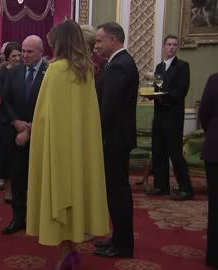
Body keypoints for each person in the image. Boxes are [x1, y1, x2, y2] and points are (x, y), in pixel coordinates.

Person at [23, 20, 109, 270]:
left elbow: (45, 114)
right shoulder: (85, 70)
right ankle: (70, 249)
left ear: (60, 43)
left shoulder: (57, 69)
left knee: (60, 193)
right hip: (79, 148)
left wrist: (35, 132)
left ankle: (63, 256)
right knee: (76, 193)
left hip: (58, 147)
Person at [93, 22, 138, 258]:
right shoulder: (116, 63)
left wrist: (94, 137)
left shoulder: (120, 65)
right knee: (115, 192)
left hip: (114, 141)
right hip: (114, 139)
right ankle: (118, 238)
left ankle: (122, 244)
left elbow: (107, 109)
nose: (96, 45)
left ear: (113, 40)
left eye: (99, 40)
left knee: (117, 193)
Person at [1, 35, 47, 235]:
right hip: (17, 134)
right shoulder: (14, 73)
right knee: (18, 179)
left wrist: (31, 128)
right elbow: (6, 101)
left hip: (43, 135)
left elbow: (51, 106)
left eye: (29, 52)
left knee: (41, 180)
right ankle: (18, 219)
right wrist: (15, 122)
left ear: (40, 52)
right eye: (23, 51)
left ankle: (42, 221)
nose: (24, 56)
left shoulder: (50, 73)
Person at [146, 34, 194, 200]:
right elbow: (157, 88)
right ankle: (161, 186)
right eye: (169, 44)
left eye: (174, 44)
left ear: (177, 47)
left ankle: (186, 188)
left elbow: (180, 92)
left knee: (175, 153)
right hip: (159, 115)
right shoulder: (159, 68)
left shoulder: (182, 66)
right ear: (164, 47)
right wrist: (152, 95)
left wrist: (160, 96)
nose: (171, 47)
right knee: (158, 151)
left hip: (173, 116)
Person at [0, 41, 22, 201]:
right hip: (6, 120)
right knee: (7, 157)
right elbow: (2, 96)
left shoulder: (24, 70)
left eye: (19, 55)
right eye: (14, 56)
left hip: (23, 120)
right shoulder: (2, 73)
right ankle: (8, 191)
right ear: (7, 57)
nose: (17, 58)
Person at [198, 73, 218, 269]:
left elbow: (203, 114)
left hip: (215, 150)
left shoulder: (215, 80)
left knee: (215, 208)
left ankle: (214, 255)